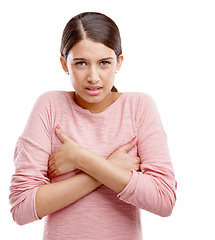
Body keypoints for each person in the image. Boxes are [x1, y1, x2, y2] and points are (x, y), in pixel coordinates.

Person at [9, 12, 177, 240]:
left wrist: (81, 159)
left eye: (104, 63)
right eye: (80, 63)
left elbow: (163, 199)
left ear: (119, 62)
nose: (93, 77)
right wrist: (107, 168)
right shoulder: (50, 106)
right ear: (64, 64)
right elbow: (22, 207)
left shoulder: (139, 107)